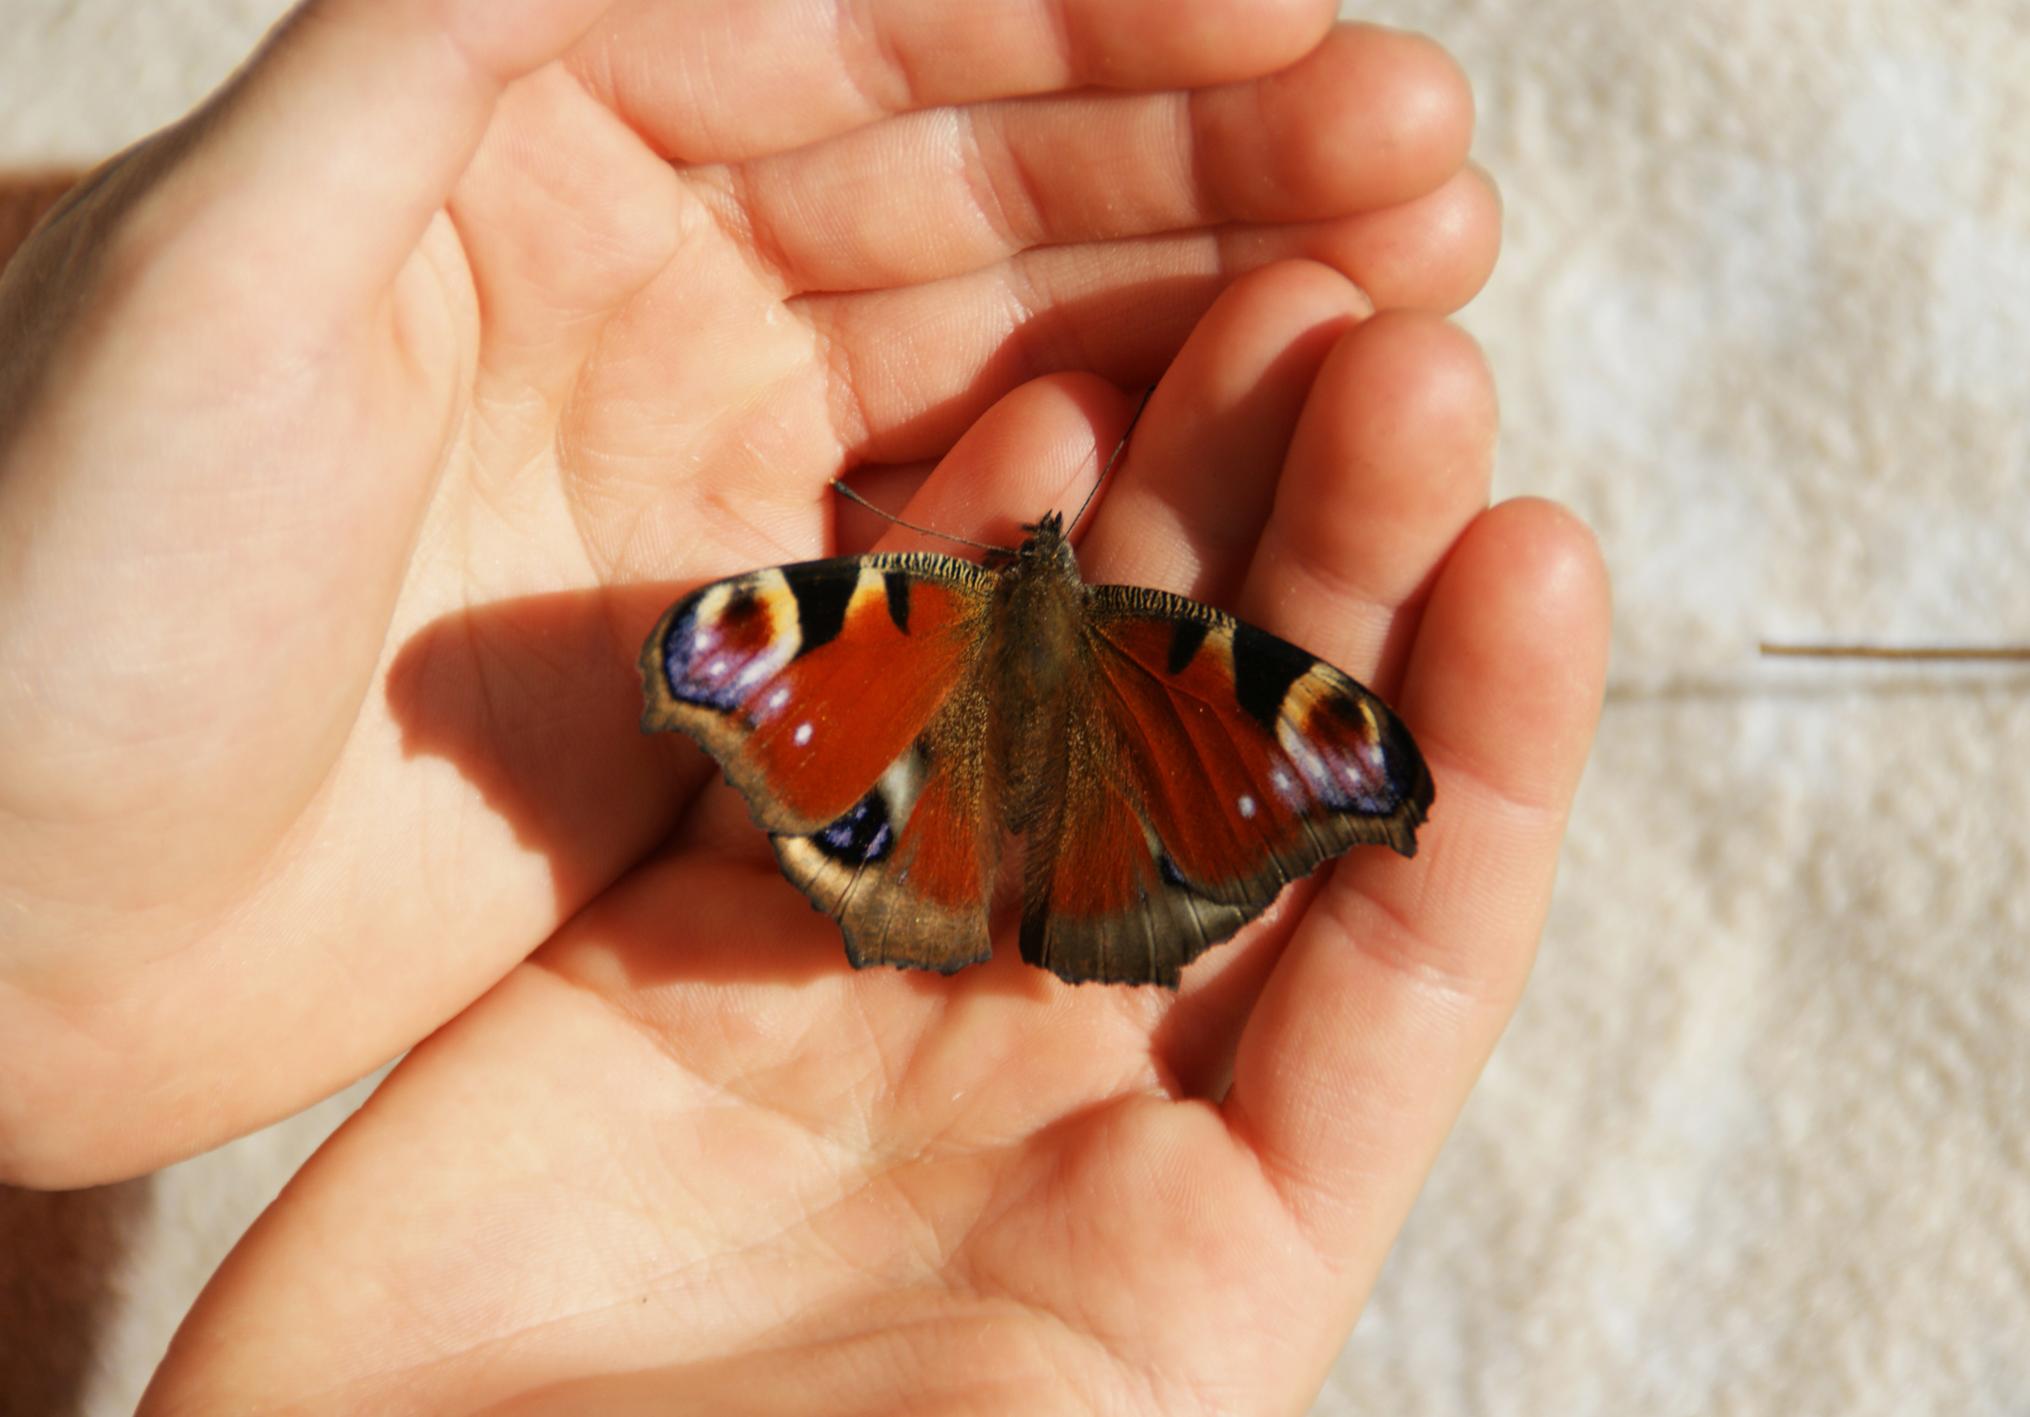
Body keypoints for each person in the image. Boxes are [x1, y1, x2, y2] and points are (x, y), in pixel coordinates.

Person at [0, 0, 1608, 1409]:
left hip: (926, 808)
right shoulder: (1162, 644)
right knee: (1237, 710)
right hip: (1120, 820)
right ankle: (1107, 885)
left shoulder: (907, 610)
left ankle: (1035, 863)